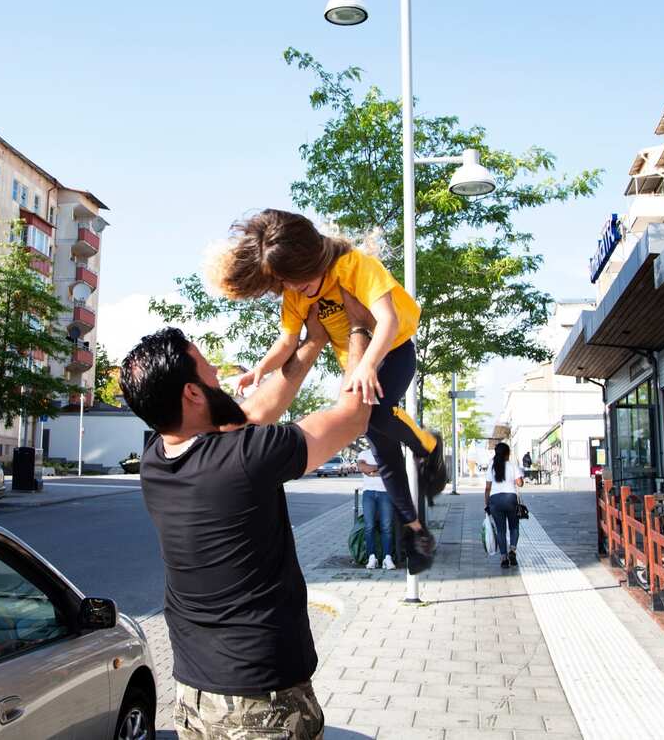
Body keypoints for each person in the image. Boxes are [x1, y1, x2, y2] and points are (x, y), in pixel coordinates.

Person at [121, 291, 374, 740]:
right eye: (207, 368)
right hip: (262, 708)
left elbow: (252, 411)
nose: (218, 373)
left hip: (194, 698)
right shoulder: (246, 457)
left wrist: (313, 341)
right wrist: (358, 327)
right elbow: (353, 416)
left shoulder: (156, 460)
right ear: (192, 393)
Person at [210, 209, 441, 573]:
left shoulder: (353, 266)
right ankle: (415, 530)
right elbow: (287, 342)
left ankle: (428, 444)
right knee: (383, 452)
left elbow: (388, 319)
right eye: (286, 283)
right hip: (360, 366)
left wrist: (368, 364)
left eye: (299, 280)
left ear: (314, 257)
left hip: (393, 351)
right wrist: (260, 369)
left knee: (376, 415)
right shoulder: (295, 292)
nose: (294, 289)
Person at [485, 441, 524, 568]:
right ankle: (512, 550)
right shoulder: (512, 466)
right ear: (507, 454)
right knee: (514, 527)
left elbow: (487, 488)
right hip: (510, 499)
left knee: (500, 530)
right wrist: (520, 477)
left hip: (495, 500)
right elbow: (520, 483)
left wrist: (487, 505)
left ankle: (503, 558)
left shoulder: (491, 467)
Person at [357, 443, 395, 570]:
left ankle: (387, 558)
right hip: (368, 493)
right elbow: (362, 467)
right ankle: (372, 558)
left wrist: (371, 471)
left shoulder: (388, 454)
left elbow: (390, 470)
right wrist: (381, 468)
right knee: (369, 526)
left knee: (387, 526)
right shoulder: (363, 454)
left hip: (386, 492)